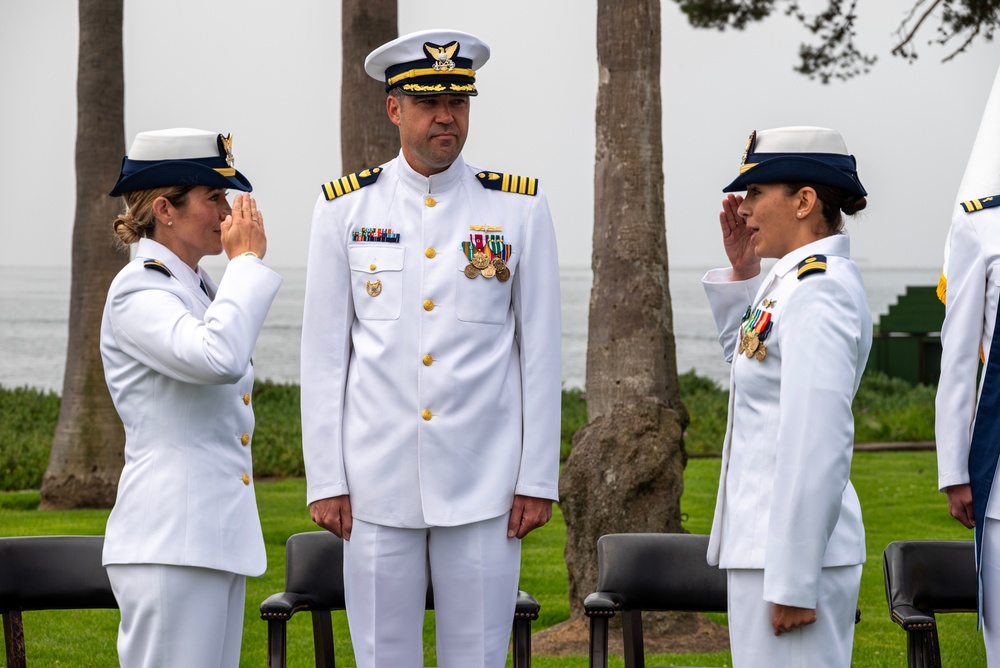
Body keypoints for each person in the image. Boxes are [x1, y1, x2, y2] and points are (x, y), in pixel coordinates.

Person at [300, 29, 561, 667]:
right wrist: (327, 477)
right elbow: (325, 356)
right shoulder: (345, 210)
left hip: (485, 486)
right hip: (375, 487)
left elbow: (542, 352)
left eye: (459, 101)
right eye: (428, 102)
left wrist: (536, 478)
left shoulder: (518, 209)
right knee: (383, 658)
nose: (447, 116)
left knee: (476, 658)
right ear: (394, 108)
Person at [101, 128, 281, 668]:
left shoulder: (194, 287)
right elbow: (218, 358)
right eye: (213, 197)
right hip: (169, 544)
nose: (227, 212)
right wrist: (245, 264)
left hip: (207, 539)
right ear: (164, 209)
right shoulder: (139, 289)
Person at [702, 126, 871, 667]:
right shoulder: (791, 281)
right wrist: (744, 273)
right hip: (766, 552)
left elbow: (817, 440)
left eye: (756, 193)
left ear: (804, 201)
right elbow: (752, 367)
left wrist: (796, 580)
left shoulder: (819, 290)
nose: (744, 208)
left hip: (792, 560)